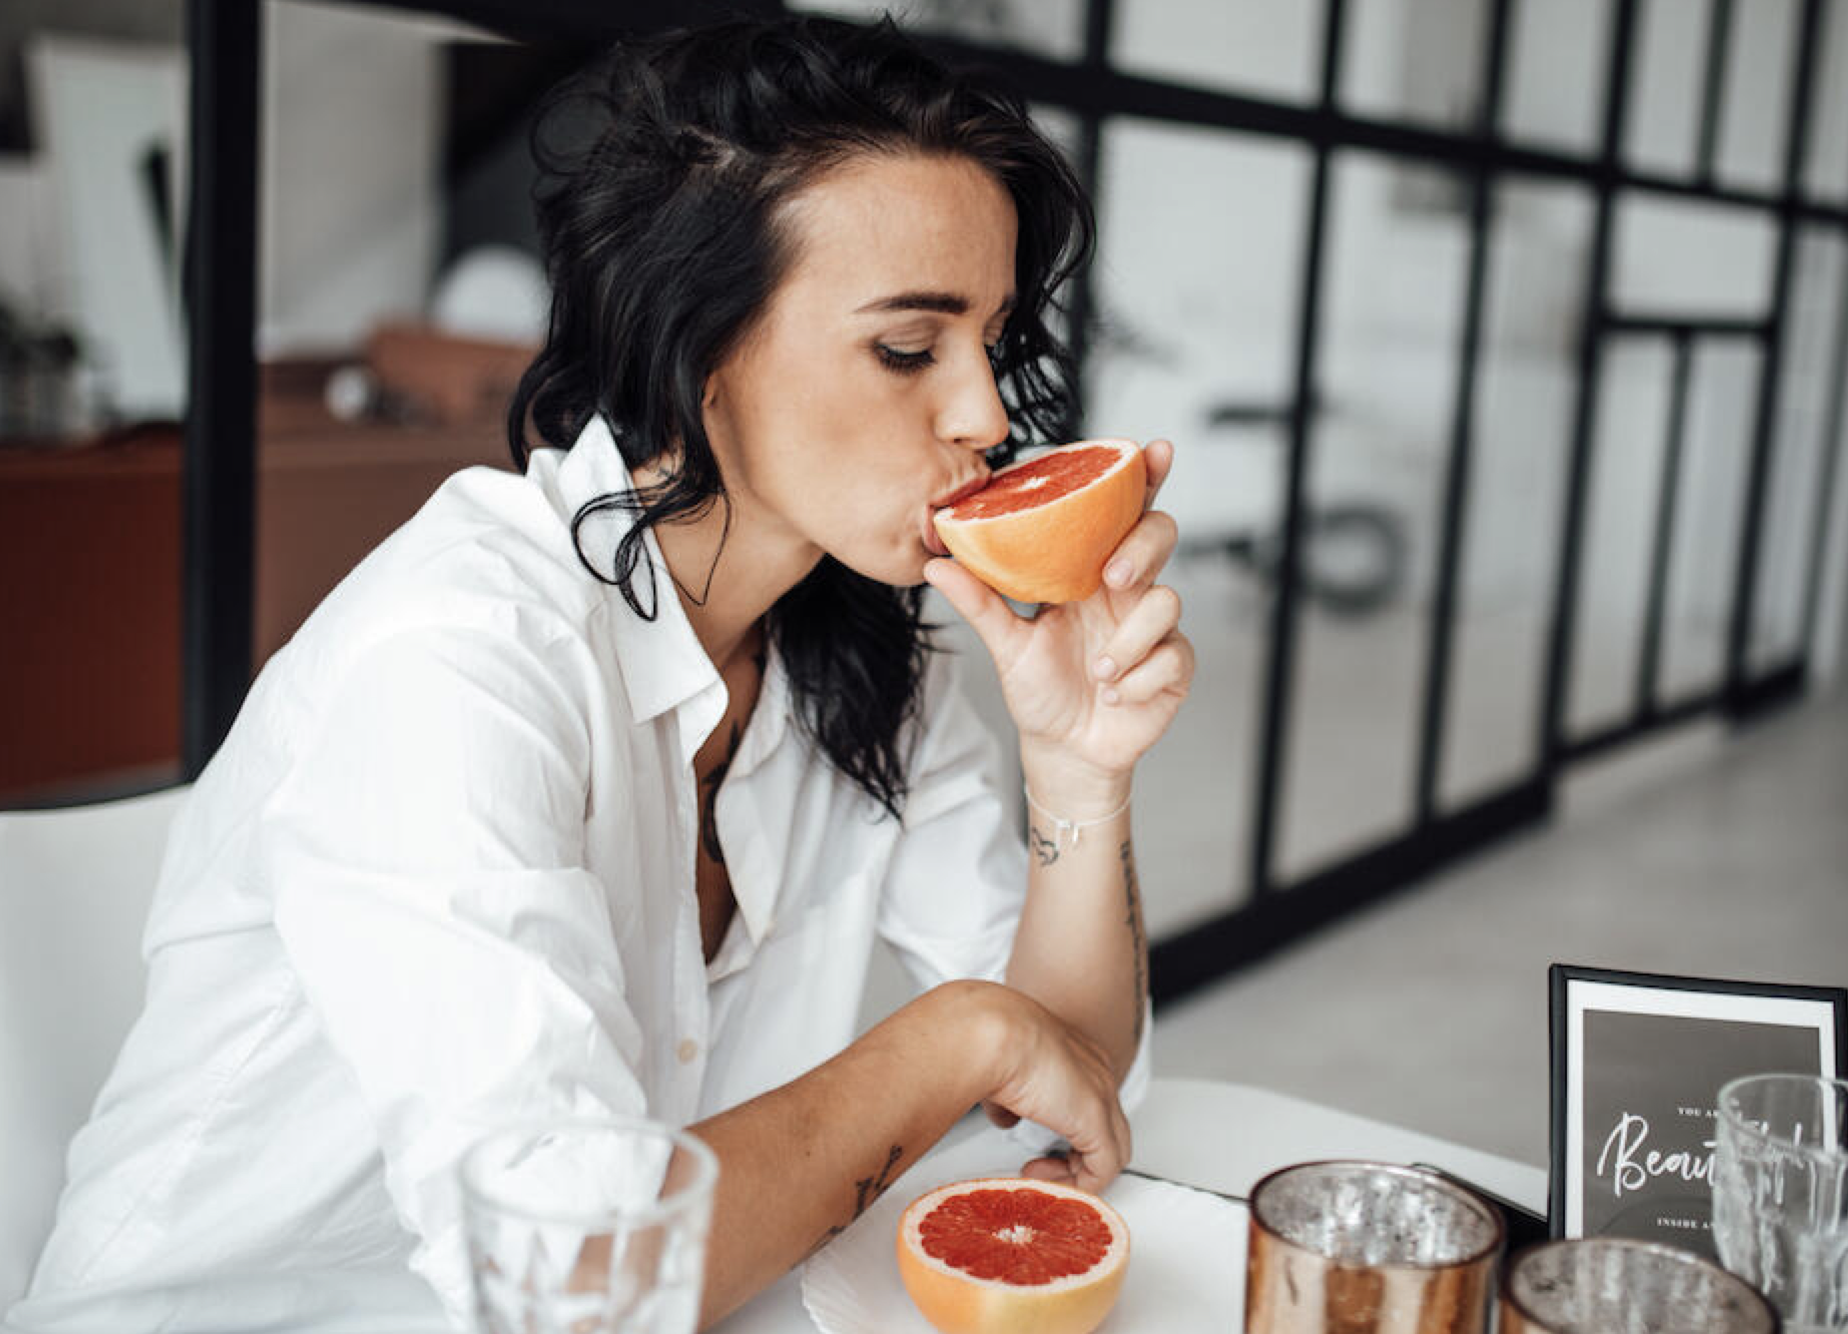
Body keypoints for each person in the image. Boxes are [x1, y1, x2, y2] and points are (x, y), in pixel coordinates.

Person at [8, 14, 1192, 1333]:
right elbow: (575, 1270)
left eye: (992, 337)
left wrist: (1078, 766)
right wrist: (958, 1034)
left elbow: (1084, 1082)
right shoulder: (456, 657)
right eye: (910, 347)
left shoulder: (855, 645)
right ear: (700, 351)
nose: (986, 414)